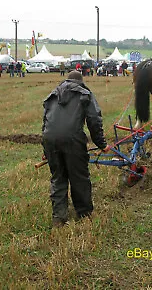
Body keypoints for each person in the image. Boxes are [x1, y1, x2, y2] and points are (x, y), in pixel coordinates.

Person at [42, 70, 110, 227]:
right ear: (81, 81)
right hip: (73, 140)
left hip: (50, 140)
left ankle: (59, 217)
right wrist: (102, 144)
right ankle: (84, 213)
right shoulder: (85, 94)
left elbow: (45, 122)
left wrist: (46, 151)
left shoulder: (52, 95)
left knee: (58, 178)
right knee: (79, 177)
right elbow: (94, 120)